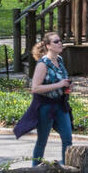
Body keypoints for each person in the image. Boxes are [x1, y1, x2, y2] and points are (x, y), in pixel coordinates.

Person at [29, 32, 73, 166]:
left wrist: (68, 85)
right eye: (56, 41)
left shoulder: (59, 60)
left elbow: (61, 79)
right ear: (48, 46)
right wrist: (59, 85)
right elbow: (35, 88)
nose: (60, 43)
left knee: (67, 138)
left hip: (60, 104)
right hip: (45, 107)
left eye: (60, 40)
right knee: (42, 141)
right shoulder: (43, 64)